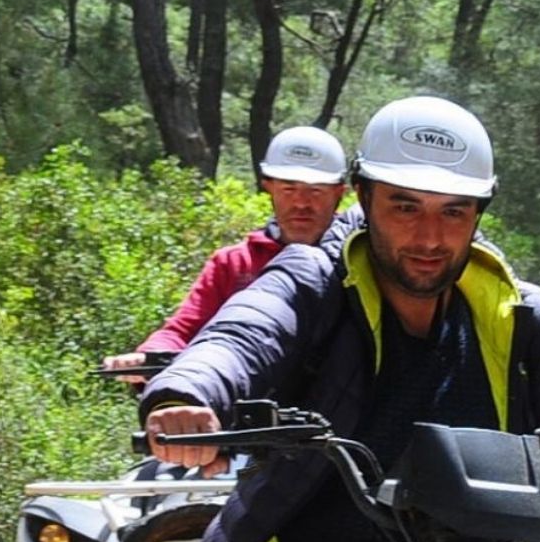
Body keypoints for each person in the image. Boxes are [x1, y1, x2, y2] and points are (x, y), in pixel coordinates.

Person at [138, 95, 540, 542]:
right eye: (404, 206)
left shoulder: (522, 313)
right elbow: (242, 336)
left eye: (453, 211)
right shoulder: (312, 280)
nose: (428, 237)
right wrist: (184, 396)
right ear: (363, 197)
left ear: (478, 213)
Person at [102, 124, 353, 379]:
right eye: (289, 189)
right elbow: (184, 330)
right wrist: (149, 357)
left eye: (315, 191)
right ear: (269, 187)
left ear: (339, 194)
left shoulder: (360, 259)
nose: (301, 202)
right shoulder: (233, 264)